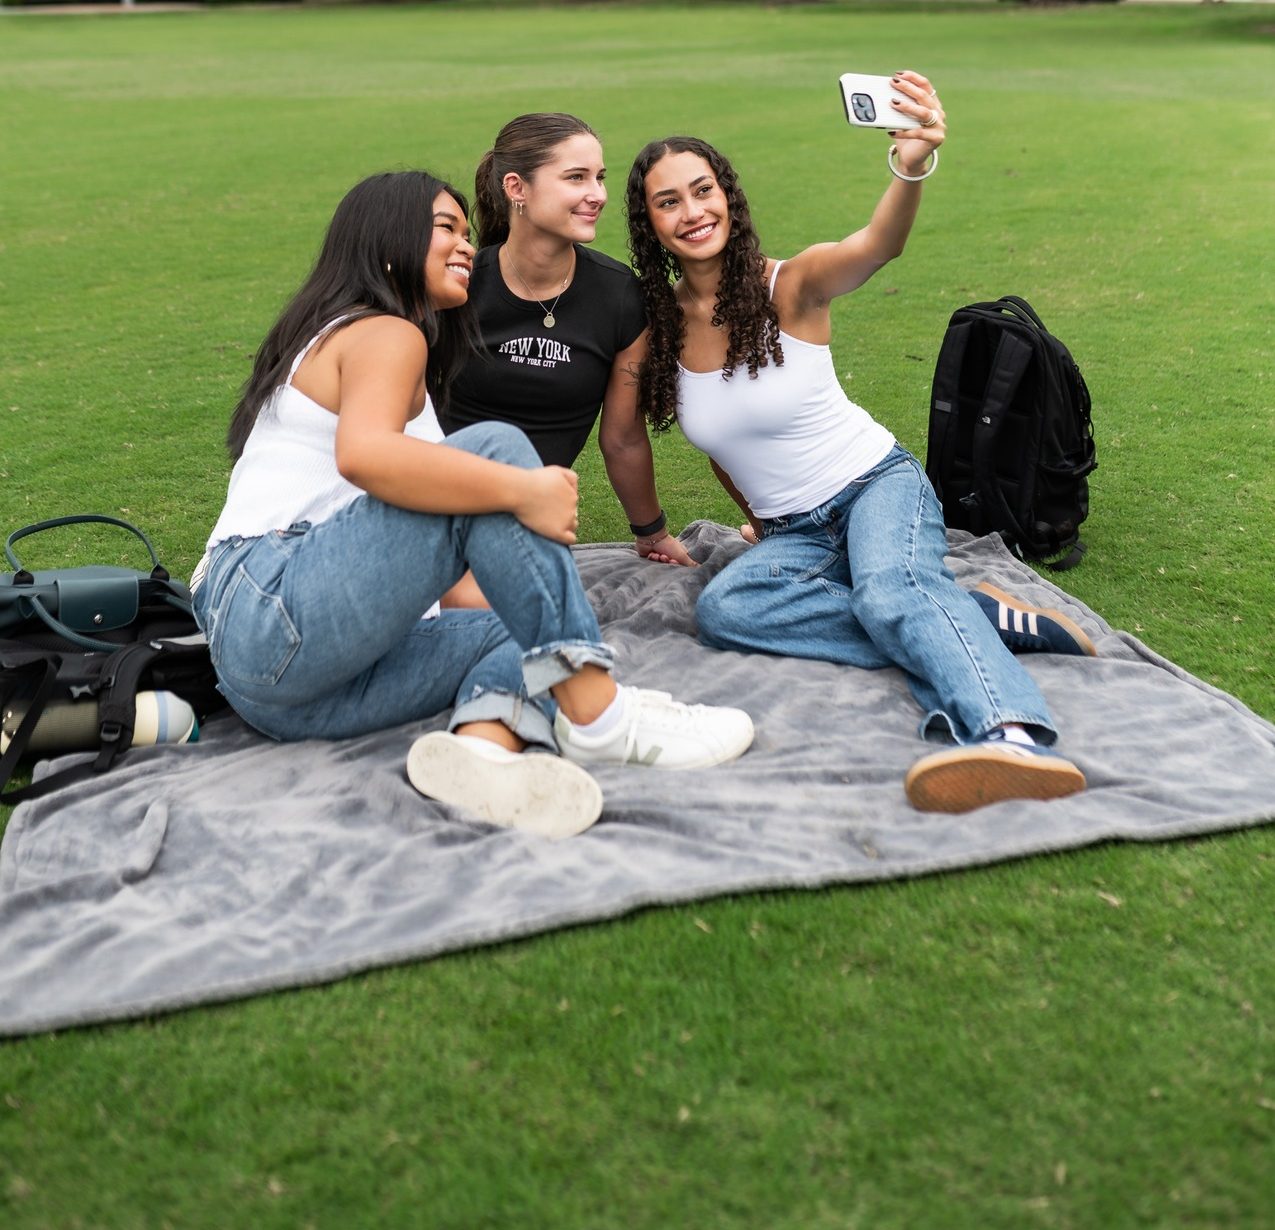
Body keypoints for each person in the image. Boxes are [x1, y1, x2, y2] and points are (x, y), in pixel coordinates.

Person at [190, 171, 754, 841]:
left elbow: (450, 581)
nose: (466, 246)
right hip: (270, 609)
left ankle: (483, 751)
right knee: (493, 450)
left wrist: (544, 595)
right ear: (390, 241)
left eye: (466, 229)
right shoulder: (380, 332)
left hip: (296, 694)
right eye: (446, 229)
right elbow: (364, 455)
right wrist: (523, 489)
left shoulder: (381, 358)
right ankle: (600, 715)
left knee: (525, 629)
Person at [624, 73, 1093, 814]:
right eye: (668, 201)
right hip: (791, 531)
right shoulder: (659, 330)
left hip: (875, 485)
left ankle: (1013, 734)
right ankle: (971, 616)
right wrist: (755, 516)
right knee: (727, 609)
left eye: (702, 189)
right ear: (648, 223)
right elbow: (725, 444)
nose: (691, 211)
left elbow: (878, 245)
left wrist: (909, 165)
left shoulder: (791, 284)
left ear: (728, 197)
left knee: (888, 591)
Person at [439, 113, 694, 569]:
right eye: (576, 178)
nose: (596, 195)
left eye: (599, 178)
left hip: (528, 522)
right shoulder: (459, 283)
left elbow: (622, 439)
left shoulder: (620, 297)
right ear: (517, 188)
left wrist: (652, 533)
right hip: (434, 498)